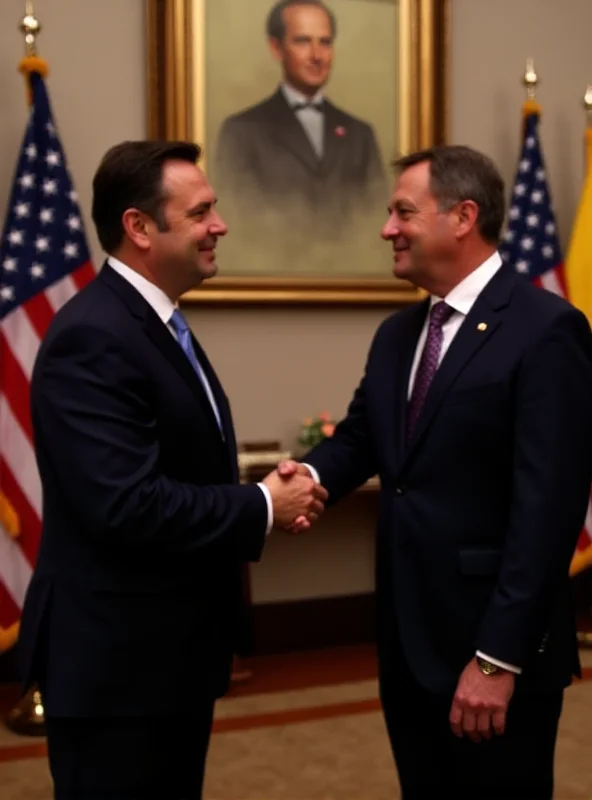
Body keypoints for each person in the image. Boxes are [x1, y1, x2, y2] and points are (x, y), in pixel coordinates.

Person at [17, 139, 327, 800]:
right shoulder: (94, 336)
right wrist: (264, 506)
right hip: (117, 667)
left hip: (164, 658)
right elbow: (126, 504)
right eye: (201, 212)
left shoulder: (156, 325)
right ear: (139, 228)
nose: (220, 225)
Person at [280, 145, 592, 798]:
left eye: (402, 212)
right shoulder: (398, 334)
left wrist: (497, 658)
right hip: (407, 638)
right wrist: (300, 482)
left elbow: (548, 513)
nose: (388, 229)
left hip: (493, 646)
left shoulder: (546, 330)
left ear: (462, 217)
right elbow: (364, 437)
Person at [215, 0, 386, 235]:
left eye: (325, 42)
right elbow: (235, 220)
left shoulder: (360, 134)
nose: (317, 55)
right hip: (268, 264)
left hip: (348, 267)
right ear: (277, 48)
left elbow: (376, 218)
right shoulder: (242, 130)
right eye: (303, 41)